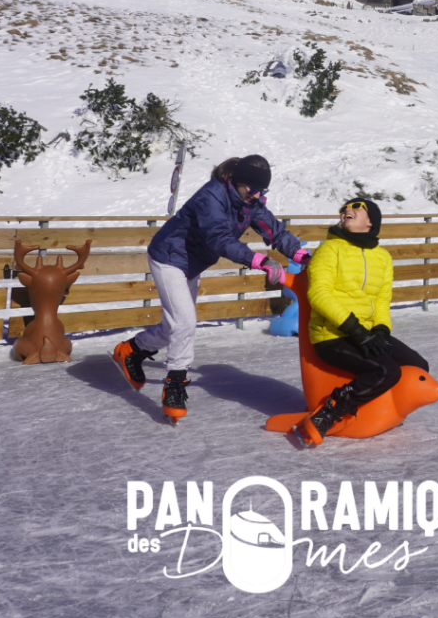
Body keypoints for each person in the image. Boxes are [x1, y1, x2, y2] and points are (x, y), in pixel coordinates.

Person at [113, 154, 308, 419]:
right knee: (185, 322)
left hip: (192, 264)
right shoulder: (212, 196)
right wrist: (259, 261)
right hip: (168, 257)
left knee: (174, 326)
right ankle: (175, 384)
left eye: (261, 190)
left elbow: (276, 232)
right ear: (238, 181)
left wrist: (302, 256)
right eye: (252, 188)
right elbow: (220, 238)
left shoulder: (250, 203)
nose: (256, 195)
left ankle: (132, 350)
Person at [298, 198, 430, 445]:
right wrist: (356, 331)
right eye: (344, 208)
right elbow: (319, 294)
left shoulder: (382, 257)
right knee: (385, 370)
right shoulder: (329, 249)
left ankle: (379, 409)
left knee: (418, 365)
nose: (347, 209)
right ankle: (328, 412)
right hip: (333, 335)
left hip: (367, 333)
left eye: (356, 206)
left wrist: (380, 331)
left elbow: (381, 300)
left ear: (371, 221)